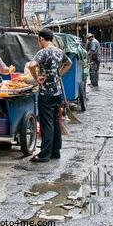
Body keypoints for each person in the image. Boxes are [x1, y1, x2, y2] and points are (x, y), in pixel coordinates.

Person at [27, 28, 72, 163]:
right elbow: (68, 63)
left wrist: (36, 78)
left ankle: (44, 154)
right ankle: (55, 151)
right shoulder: (59, 51)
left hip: (46, 93)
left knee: (47, 124)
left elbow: (31, 65)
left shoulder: (43, 52)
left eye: (38, 40)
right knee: (55, 122)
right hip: (57, 93)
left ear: (41, 39)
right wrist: (58, 74)